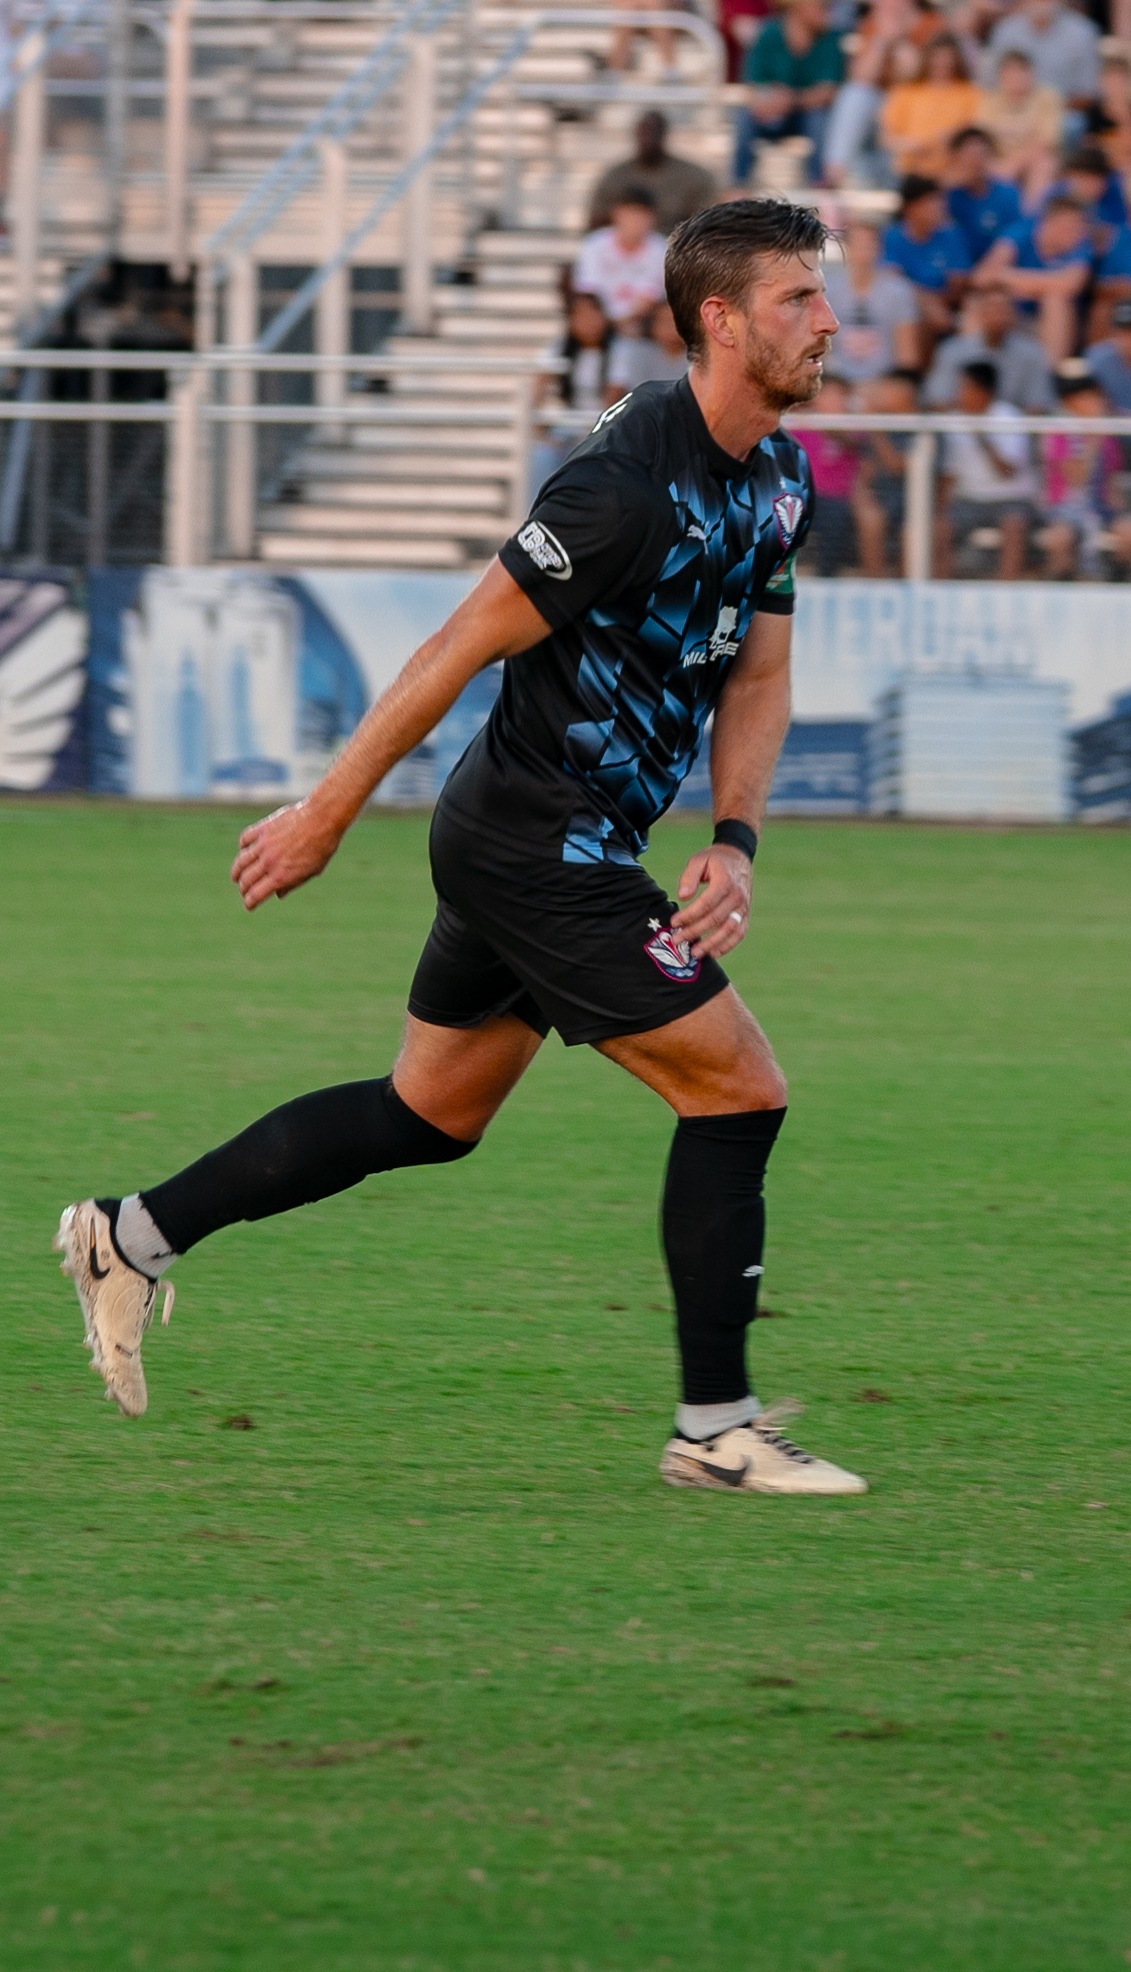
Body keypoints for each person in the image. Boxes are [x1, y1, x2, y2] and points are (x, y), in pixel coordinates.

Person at [57, 200, 864, 1499]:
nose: (827, 321)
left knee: (429, 1114)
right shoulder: (620, 485)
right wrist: (326, 811)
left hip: (554, 841)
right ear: (720, 320)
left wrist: (735, 838)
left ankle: (128, 1236)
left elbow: (760, 674)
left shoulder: (778, 478)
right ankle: (717, 1429)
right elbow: (456, 646)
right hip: (540, 846)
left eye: (822, 296)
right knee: (739, 1090)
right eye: (798, 299)